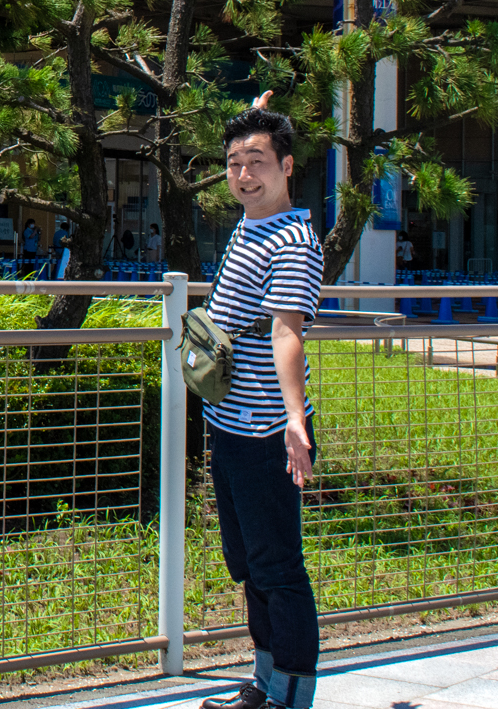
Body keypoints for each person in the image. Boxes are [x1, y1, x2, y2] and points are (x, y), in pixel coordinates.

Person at [199, 96, 323, 709]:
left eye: (258, 161)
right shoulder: (253, 225)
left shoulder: (294, 241)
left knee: (277, 566)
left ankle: (291, 696)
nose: (244, 174)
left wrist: (295, 421)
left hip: (266, 427)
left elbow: (286, 333)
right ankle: (265, 682)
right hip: (228, 420)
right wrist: (253, 116)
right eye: (234, 163)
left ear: (288, 166)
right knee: (247, 562)